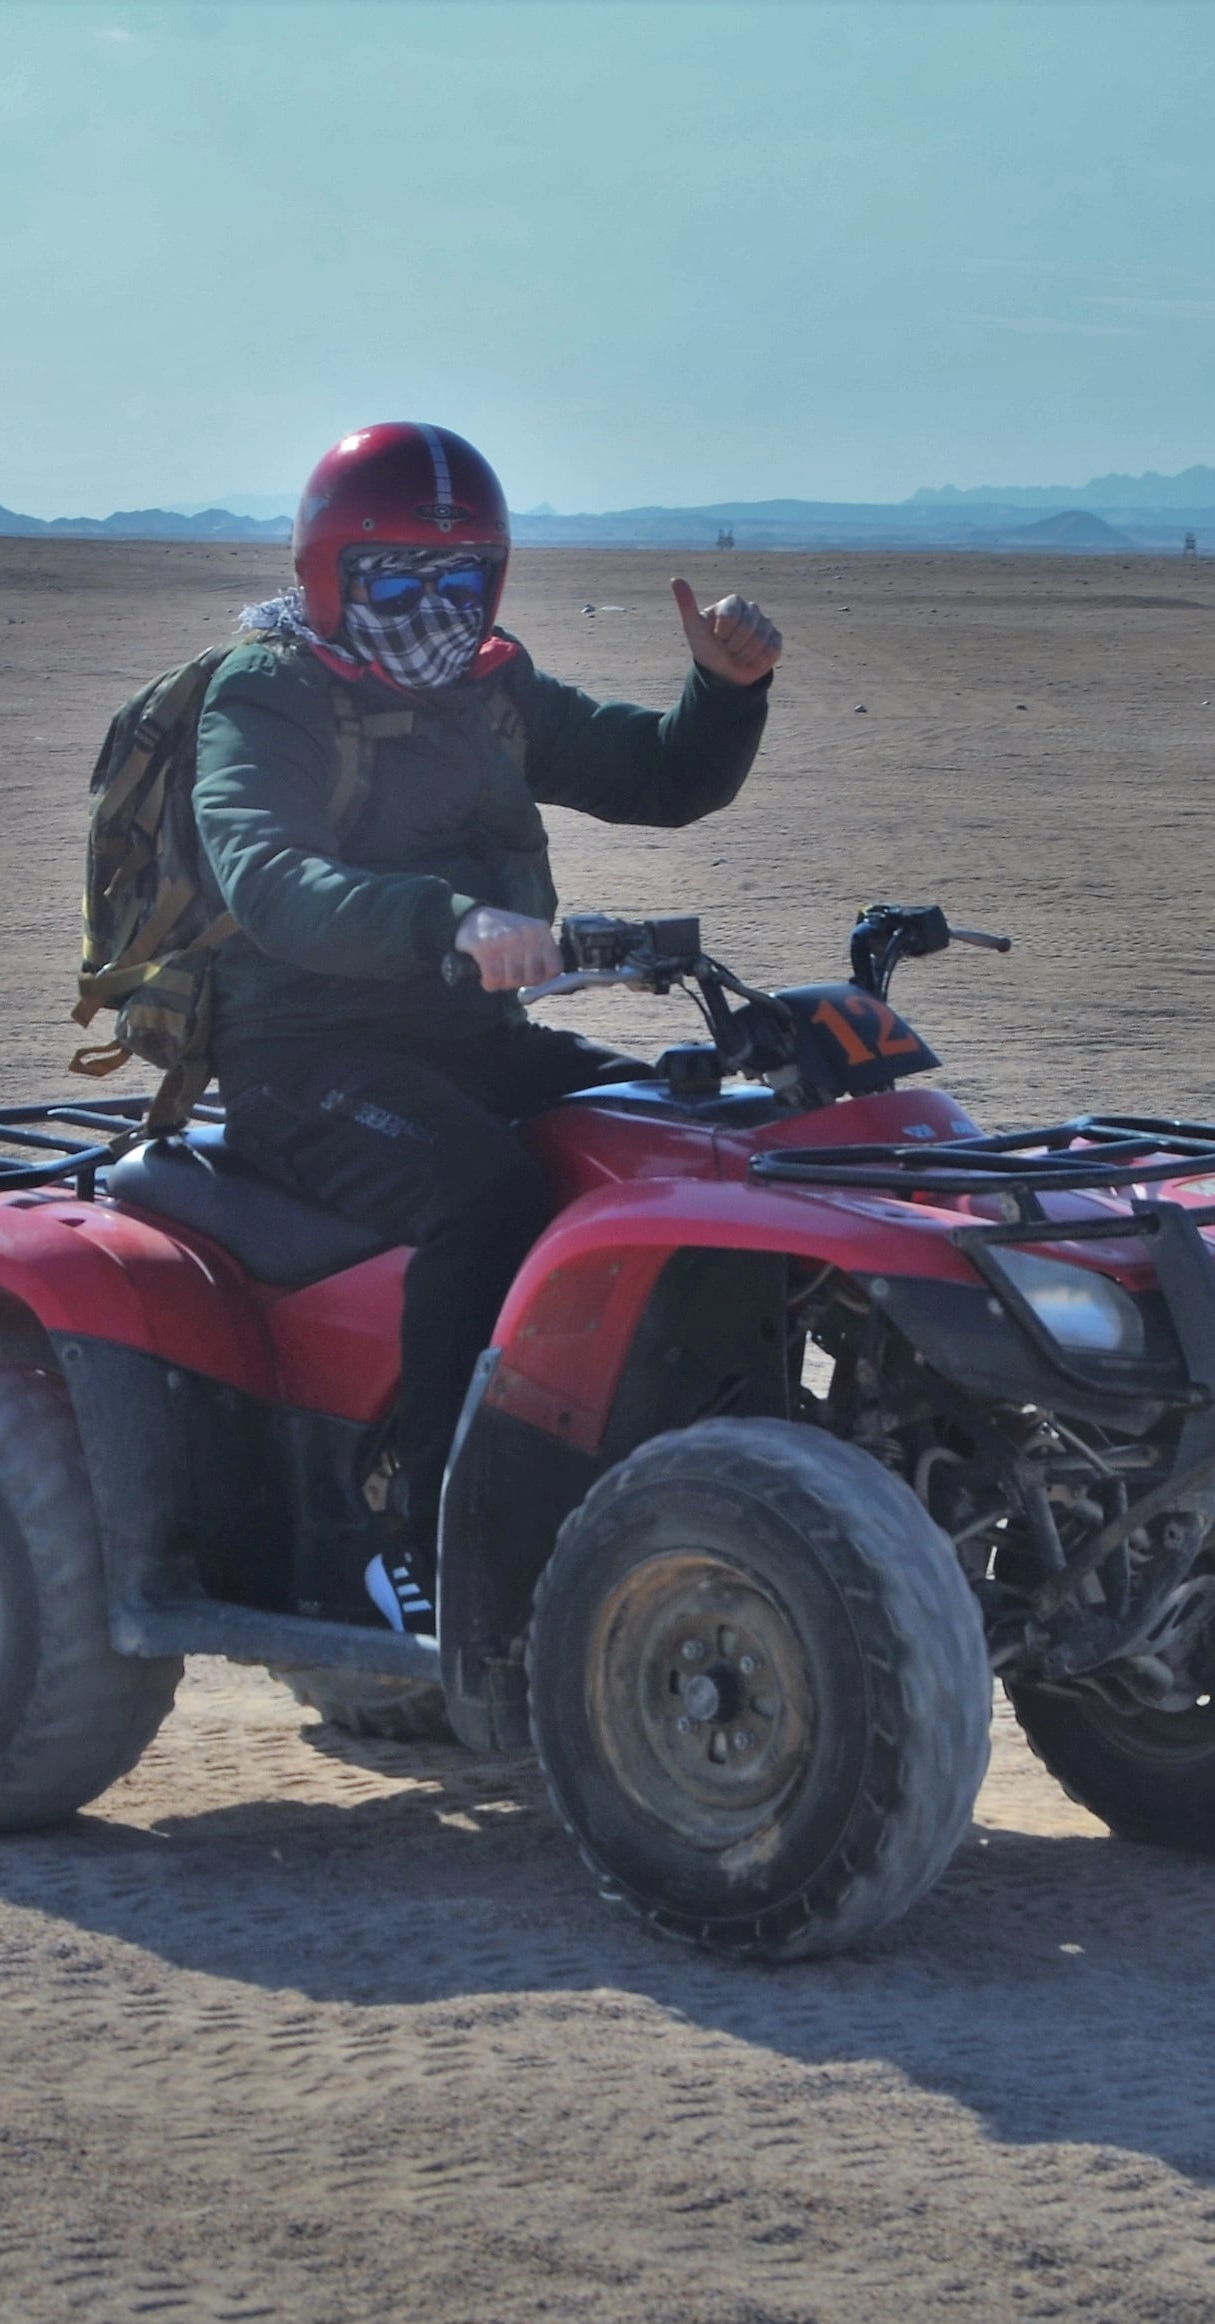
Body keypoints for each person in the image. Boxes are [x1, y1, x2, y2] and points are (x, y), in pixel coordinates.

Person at [193, 422, 784, 1568]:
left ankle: (696, 1481)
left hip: (463, 1038)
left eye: (459, 577)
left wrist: (724, 692)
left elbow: (658, 774)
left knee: (683, 1138)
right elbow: (270, 878)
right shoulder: (266, 694)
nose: (432, 605)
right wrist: (448, 923)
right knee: (489, 1196)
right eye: (395, 577)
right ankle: (438, 1547)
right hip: (303, 1057)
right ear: (327, 573)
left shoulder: (492, 689)